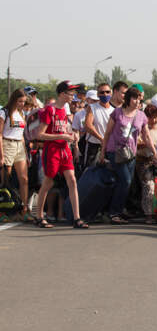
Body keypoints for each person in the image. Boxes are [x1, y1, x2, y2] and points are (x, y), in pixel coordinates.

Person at [34, 81, 88, 229]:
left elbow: (62, 130)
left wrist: (70, 136)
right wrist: (62, 136)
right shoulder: (49, 110)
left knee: (72, 180)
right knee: (48, 183)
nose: (73, 96)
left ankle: (77, 218)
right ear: (62, 94)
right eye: (70, 93)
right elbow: (40, 134)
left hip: (65, 150)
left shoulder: (64, 111)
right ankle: (39, 216)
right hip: (52, 151)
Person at [99, 88, 157, 224]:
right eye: (135, 98)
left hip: (131, 154)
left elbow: (147, 136)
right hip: (115, 151)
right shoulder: (117, 112)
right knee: (125, 181)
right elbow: (107, 133)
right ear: (128, 99)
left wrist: (154, 153)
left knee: (126, 183)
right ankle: (114, 213)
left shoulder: (141, 116)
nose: (138, 101)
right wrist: (103, 152)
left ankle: (118, 211)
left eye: (139, 99)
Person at [0, 89, 30, 221]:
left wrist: (26, 154)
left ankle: (24, 210)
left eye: (23, 102)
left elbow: (22, 135)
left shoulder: (21, 113)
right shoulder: (4, 112)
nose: (22, 104)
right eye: (19, 101)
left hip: (20, 146)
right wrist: (1, 155)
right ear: (14, 100)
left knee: (24, 179)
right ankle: (3, 212)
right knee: (5, 179)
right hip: (7, 144)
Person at [135, 104, 157, 224]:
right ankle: (148, 214)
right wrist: (147, 144)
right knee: (149, 187)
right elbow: (135, 144)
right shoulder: (141, 128)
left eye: (156, 117)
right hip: (144, 161)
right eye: (151, 117)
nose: (154, 120)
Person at [83, 83, 115, 169]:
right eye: (102, 92)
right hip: (94, 146)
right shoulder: (92, 107)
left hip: (109, 147)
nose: (105, 94)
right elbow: (88, 125)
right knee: (89, 172)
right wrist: (101, 139)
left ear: (111, 93)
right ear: (98, 94)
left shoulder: (114, 111)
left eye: (107, 92)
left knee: (109, 173)